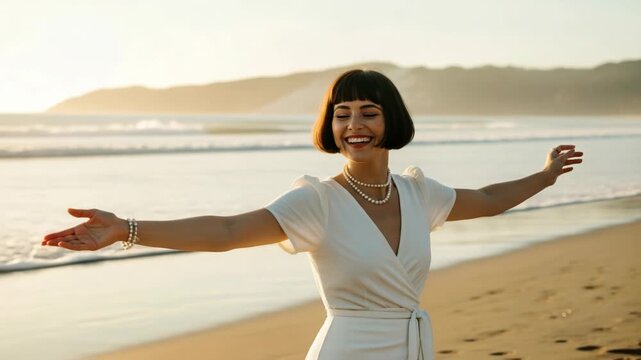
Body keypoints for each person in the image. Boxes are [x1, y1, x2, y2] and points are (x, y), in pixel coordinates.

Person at [42, 69, 583, 360]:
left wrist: (546, 174)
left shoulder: (420, 194)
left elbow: (487, 201)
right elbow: (229, 231)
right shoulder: (317, 201)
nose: (354, 125)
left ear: (390, 122)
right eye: (342, 114)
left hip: (413, 346)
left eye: (368, 113)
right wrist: (127, 230)